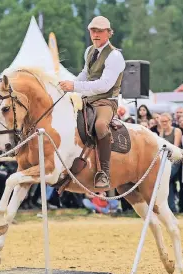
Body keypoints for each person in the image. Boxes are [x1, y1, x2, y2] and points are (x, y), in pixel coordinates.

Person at [59, 16, 125, 189]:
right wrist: (67, 85)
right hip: (87, 99)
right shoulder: (89, 50)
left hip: (106, 101)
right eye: (92, 31)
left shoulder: (115, 56)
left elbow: (104, 85)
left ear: (108, 33)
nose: (95, 34)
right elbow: (85, 73)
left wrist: (74, 86)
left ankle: (104, 172)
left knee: (101, 125)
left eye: (99, 31)